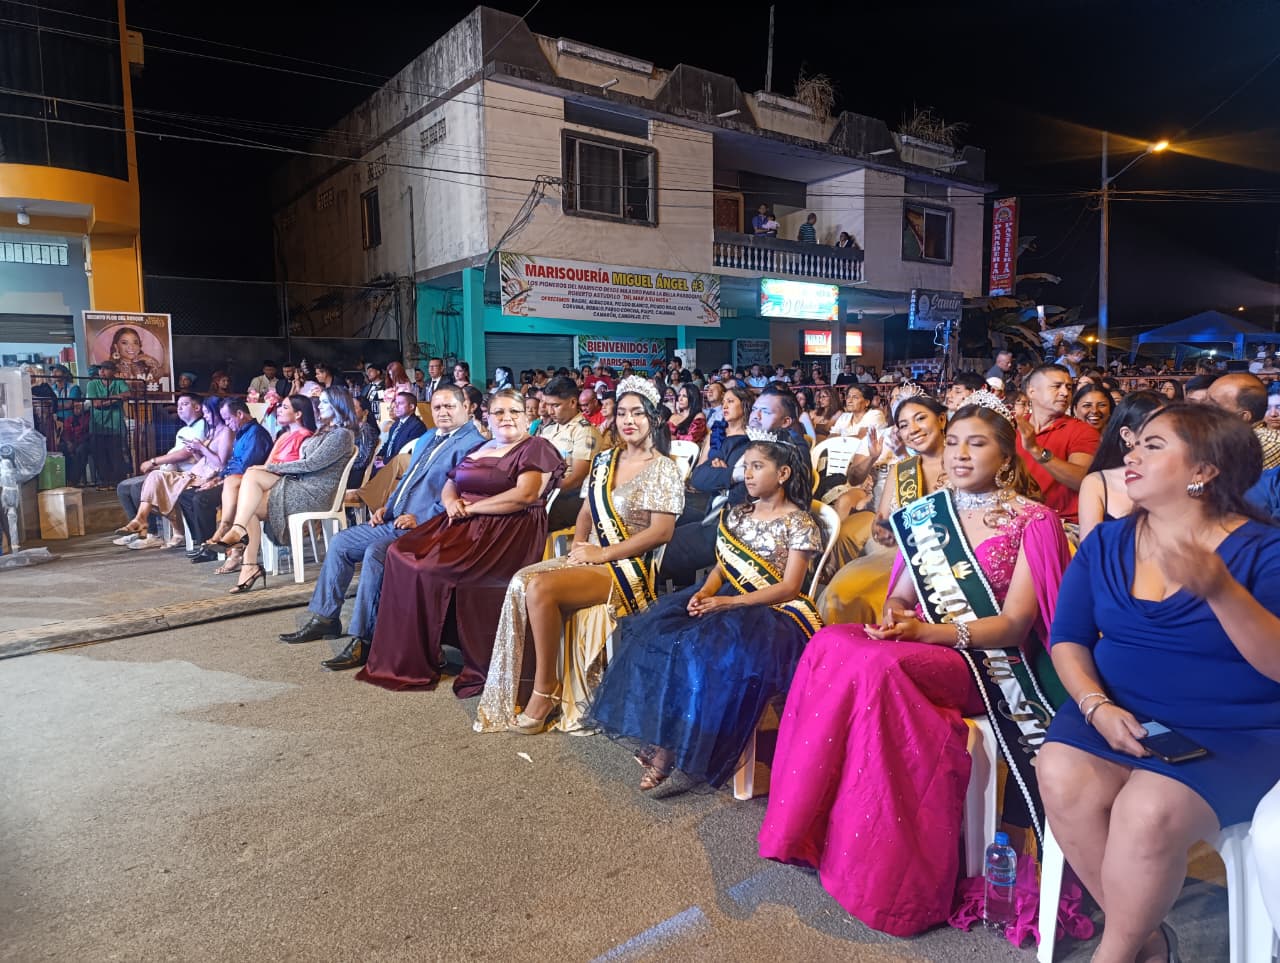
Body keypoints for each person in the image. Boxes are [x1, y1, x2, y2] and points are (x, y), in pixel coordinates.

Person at [759, 399, 1070, 937]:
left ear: (1005, 456)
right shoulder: (927, 513)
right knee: (829, 643)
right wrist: (896, 616)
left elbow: (1015, 625)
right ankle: (816, 825)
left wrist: (928, 634)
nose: (960, 454)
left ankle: (891, 874)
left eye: (977, 444)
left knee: (877, 669)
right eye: (955, 443)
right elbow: (901, 595)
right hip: (917, 646)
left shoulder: (1033, 520)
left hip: (985, 662)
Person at [1037, 403, 1280, 963]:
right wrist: (1095, 706)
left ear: (1204, 470)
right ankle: (1146, 940)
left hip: (1231, 733)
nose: (1132, 454)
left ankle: (1116, 952)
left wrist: (1222, 592)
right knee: (1059, 771)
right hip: (1115, 710)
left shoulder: (1264, 552)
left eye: (1153, 445)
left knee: (1146, 811)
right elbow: (1068, 639)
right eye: (1135, 443)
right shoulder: (1106, 543)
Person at [589, 431, 822, 789]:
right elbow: (721, 568)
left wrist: (729, 601)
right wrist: (705, 593)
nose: (747, 474)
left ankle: (668, 751)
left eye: (757, 467)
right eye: (745, 467)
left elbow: (790, 587)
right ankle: (667, 737)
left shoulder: (799, 522)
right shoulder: (739, 514)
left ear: (783, 474)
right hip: (725, 598)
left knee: (700, 652)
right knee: (659, 637)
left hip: (773, 613)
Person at [474, 378, 684, 734]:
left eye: (637, 413)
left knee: (540, 588)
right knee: (521, 580)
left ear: (653, 418)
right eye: (622, 413)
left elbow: (660, 533)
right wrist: (579, 545)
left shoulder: (663, 467)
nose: (628, 421)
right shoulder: (605, 460)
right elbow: (586, 511)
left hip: (630, 569)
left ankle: (545, 691)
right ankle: (522, 685)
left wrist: (602, 553)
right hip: (596, 557)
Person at [355, 390, 563, 691]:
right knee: (400, 553)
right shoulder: (482, 446)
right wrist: (452, 501)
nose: (506, 418)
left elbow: (525, 495)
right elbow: (451, 482)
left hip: (505, 530)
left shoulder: (536, 447)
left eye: (514, 412)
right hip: (462, 523)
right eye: (499, 412)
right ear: (487, 418)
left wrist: (473, 508)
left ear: (526, 416)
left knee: (426, 568)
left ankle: (432, 645)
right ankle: (419, 652)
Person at [279, 386, 484, 662]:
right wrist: (387, 507)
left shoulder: (473, 444)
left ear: (465, 408)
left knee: (376, 551)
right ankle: (326, 617)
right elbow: (408, 479)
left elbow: (461, 493)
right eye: (437, 407)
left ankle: (364, 638)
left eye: (449, 406)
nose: (443, 412)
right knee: (341, 542)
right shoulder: (429, 437)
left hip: (430, 527)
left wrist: (421, 518)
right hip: (397, 519)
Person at [819, 392, 951, 625]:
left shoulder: (963, 466)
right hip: (898, 555)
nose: (913, 429)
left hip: (949, 559)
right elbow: (880, 520)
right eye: (904, 425)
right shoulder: (901, 471)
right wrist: (883, 530)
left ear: (941, 420)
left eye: (921, 418)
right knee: (841, 592)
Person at [211, 388, 356, 592]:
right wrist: (267, 468)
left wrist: (270, 467)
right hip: (300, 485)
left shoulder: (342, 435)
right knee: (249, 497)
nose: (319, 406)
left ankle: (238, 531)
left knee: (252, 478)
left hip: (315, 492)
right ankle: (248, 565)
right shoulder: (325, 431)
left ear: (337, 405)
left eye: (324, 402)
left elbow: (309, 464)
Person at [659, 388, 804, 588]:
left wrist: (728, 478)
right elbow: (699, 478)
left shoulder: (792, 449)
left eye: (765, 412)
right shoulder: (739, 442)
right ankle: (679, 587)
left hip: (747, 531)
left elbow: (744, 497)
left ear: (785, 421)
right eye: (755, 410)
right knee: (662, 529)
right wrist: (732, 475)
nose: (756, 416)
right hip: (719, 515)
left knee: (666, 546)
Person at [181, 400, 274, 563]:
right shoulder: (241, 433)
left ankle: (212, 546)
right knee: (186, 495)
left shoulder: (256, 434)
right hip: (231, 478)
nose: (227, 424)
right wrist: (217, 478)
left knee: (201, 498)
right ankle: (203, 542)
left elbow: (245, 466)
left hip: (243, 482)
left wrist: (221, 481)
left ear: (240, 414)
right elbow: (232, 463)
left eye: (228, 419)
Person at [113, 392, 208, 547]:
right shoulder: (183, 431)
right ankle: (137, 530)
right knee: (123, 488)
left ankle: (152, 533)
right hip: (170, 471)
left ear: (197, 407)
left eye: (184, 404)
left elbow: (185, 454)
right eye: (178, 405)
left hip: (186, 474)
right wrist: (158, 466)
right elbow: (175, 456)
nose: (179, 408)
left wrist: (154, 461)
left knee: (138, 488)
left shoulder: (202, 426)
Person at [1076, 391, 1168, 541]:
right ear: (1127, 435)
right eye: (1156, 427)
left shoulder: (1180, 477)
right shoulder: (1097, 483)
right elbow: (1090, 548)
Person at [1014, 363, 1100, 525]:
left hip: (1064, 524)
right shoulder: (1012, 428)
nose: (1065, 393)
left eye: (1069, 387)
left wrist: (1036, 450)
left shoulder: (1082, 431)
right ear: (1032, 391)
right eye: (1056, 386)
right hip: (1016, 519)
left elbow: (1082, 480)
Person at [539, 376, 602, 532]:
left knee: (525, 517)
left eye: (555, 405)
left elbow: (577, 479)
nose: (550, 411)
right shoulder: (548, 430)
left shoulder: (585, 432)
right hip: (546, 490)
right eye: (548, 405)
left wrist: (542, 491)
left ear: (573, 402)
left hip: (571, 496)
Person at [1206, 372, 1280, 470]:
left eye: (1212, 406)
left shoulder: (1268, 443)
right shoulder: (1229, 436)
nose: (1202, 409)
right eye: (1204, 400)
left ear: (1243, 417)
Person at [85, 360, 131, 487]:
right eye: (101, 369)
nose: (102, 371)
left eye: (106, 368)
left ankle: (118, 483)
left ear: (113, 371)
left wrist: (105, 401)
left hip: (116, 425)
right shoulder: (92, 384)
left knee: (116, 455)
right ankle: (104, 483)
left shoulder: (119, 382)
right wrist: (116, 398)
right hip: (97, 425)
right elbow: (96, 404)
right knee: (100, 455)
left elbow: (128, 394)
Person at [373, 392, 427, 473]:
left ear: (411, 407)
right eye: (396, 403)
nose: (396, 406)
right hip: (389, 462)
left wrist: (385, 462)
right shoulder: (396, 423)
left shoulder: (417, 426)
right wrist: (379, 456)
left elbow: (404, 451)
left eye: (400, 403)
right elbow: (389, 443)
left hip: (400, 466)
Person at [349, 394, 380, 487]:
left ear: (365, 412)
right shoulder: (354, 428)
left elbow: (363, 460)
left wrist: (343, 465)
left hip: (354, 476)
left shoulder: (366, 430)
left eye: (354, 407)